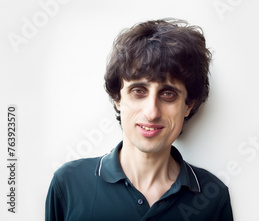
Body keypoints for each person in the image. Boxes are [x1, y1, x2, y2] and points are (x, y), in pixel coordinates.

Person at [45, 18, 233, 221]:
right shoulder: (69, 184)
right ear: (117, 97)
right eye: (138, 91)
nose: (152, 112)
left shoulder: (212, 196)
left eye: (168, 94)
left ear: (188, 105)